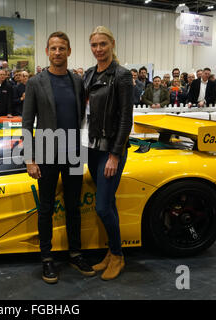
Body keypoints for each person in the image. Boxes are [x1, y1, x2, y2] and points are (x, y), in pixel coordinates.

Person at [22, 31, 93, 284]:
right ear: (47, 52)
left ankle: (75, 253)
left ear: (69, 52)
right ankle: (46, 258)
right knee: (46, 209)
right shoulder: (35, 83)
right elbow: (27, 122)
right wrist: (30, 159)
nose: (58, 52)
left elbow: (81, 117)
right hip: (46, 154)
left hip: (73, 153)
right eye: (53, 48)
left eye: (62, 48)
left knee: (74, 207)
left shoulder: (77, 82)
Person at [82, 26, 133, 280]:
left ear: (112, 44)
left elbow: (126, 119)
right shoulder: (89, 74)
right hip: (91, 149)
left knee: (102, 207)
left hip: (110, 151)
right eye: (94, 45)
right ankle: (112, 254)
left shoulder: (122, 75)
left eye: (103, 44)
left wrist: (115, 155)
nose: (98, 49)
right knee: (108, 203)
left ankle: (118, 256)